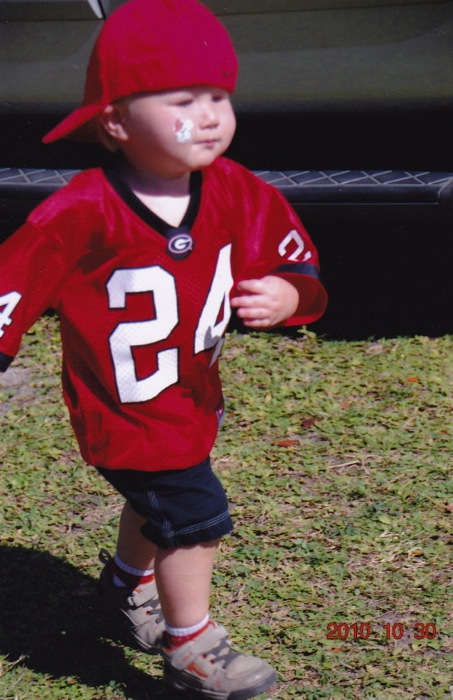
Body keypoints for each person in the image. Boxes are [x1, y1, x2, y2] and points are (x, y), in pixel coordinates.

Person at [0, 0, 327, 697]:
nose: (208, 115)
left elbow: (297, 264)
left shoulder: (238, 192)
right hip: (123, 408)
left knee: (164, 506)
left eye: (219, 97)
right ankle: (191, 647)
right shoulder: (82, 208)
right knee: (197, 516)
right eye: (182, 100)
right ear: (115, 121)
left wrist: (287, 295)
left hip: (187, 396)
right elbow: (14, 282)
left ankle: (123, 589)